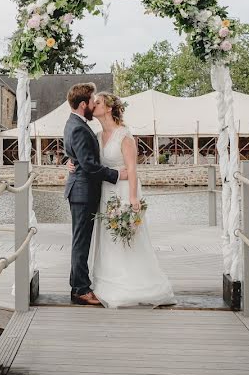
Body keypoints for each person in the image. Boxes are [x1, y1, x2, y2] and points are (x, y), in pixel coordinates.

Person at [71, 92, 176, 308]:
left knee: (128, 238)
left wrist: (133, 199)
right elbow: (88, 160)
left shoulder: (124, 136)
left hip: (123, 190)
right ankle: (108, 282)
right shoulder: (97, 135)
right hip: (105, 193)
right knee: (107, 239)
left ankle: (133, 284)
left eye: (98, 102)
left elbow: (132, 170)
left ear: (108, 108)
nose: (94, 105)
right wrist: (71, 162)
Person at [62, 83, 128, 306]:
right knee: (81, 242)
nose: (93, 105)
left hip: (80, 190)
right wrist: (118, 175)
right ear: (83, 105)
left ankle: (77, 285)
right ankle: (81, 289)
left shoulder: (74, 123)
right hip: (82, 192)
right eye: (92, 102)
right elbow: (89, 165)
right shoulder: (79, 127)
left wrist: (70, 161)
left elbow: (74, 153)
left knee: (80, 241)